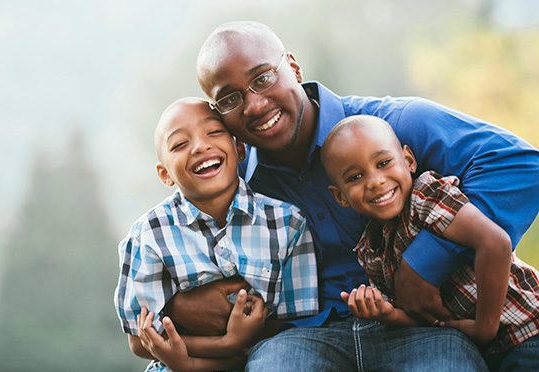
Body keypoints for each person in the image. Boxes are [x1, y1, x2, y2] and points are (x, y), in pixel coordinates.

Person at [163, 21, 539, 371]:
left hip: (419, 325)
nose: (256, 104)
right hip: (300, 337)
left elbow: (521, 167)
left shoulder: (389, 128)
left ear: (293, 69)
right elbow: (164, 243)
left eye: (263, 78)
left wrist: (424, 262)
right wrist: (177, 306)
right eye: (229, 99)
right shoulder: (231, 181)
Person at [113, 97, 319, 371]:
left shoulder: (287, 223)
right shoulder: (149, 237)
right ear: (165, 175)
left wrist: (238, 348)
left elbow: (297, 323)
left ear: (240, 148)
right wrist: (223, 346)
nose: (200, 146)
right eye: (179, 144)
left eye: (213, 132)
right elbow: (141, 340)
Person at [321, 115, 539, 371]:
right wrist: (385, 313)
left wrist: (483, 329)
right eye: (355, 176)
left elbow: (495, 243)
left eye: (384, 163)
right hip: (491, 351)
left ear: (409, 160)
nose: (375, 181)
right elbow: (419, 315)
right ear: (340, 197)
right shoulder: (370, 250)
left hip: (527, 330)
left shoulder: (425, 197)